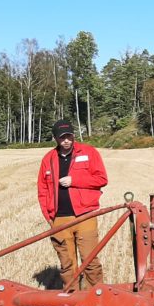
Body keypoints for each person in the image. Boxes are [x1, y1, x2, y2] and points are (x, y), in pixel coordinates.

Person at [37, 119, 108, 292]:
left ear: (73, 135)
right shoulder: (48, 159)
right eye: (62, 137)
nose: (66, 140)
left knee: (90, 260)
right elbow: (43, 190)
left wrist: (74, 180)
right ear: (55, 138)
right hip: (59, 219)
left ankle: (96, 298)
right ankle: (72, 298)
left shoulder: (89, 153)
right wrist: (50, 218)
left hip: (85, 215)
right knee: (67, 264)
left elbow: (102, 179)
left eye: (69, 136)